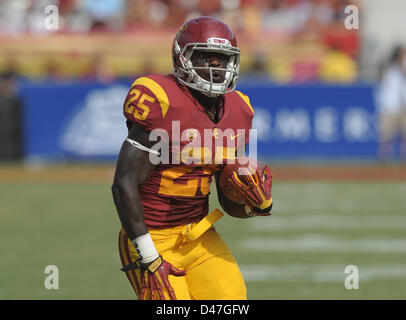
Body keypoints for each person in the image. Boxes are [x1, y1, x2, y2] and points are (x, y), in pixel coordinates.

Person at [111, 16, 273, 300]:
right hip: (151, 237)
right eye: (204, 57)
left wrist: (254, 203)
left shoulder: (240, 109)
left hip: (199, 234)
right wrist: (149, 256)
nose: (214, 66)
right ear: (182, 58)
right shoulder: (160, 97)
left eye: (221, 59)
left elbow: (227, 198)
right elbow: (123, 184)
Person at [376, 45, 406, 162]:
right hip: (390, 107)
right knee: (386, 134)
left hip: (404, 107)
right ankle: (384, 158)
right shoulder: (389, 69)